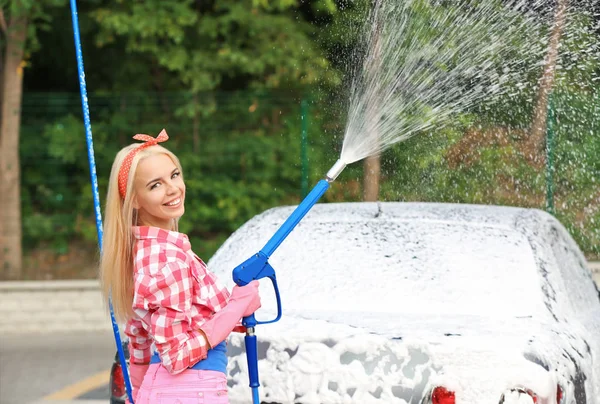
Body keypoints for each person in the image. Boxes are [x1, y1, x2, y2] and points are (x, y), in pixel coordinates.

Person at [99, 129, 261, 404]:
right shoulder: (167, 261)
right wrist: (236, 306)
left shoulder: (145, 252)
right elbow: (176, 357)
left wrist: (135, 396)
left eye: (174, 175)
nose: (173, 188)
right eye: (155, 185)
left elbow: (140, 341)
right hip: (190, 392)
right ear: (135, 200)